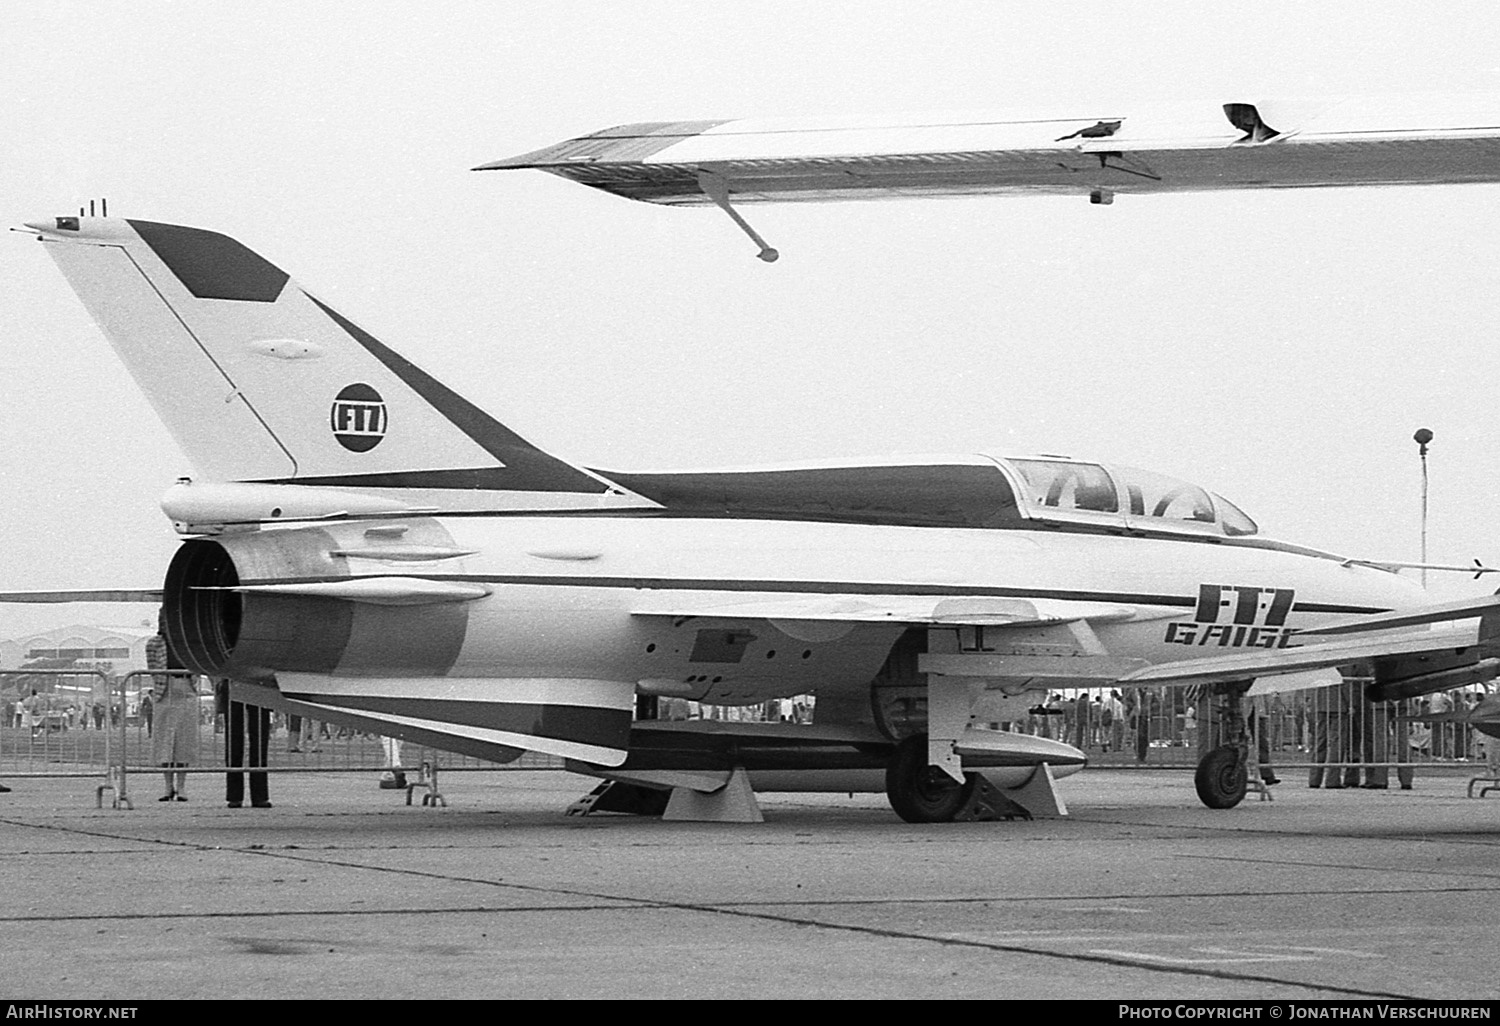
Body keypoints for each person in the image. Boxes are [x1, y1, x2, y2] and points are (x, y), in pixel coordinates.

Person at [147, 617, 199, 802]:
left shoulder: (189, 640)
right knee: (165, 740)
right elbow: (153, 666)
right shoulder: (154, 643)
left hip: (186, 687)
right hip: (165, 689)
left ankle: (182, 786)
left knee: (184, 740)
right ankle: (168, 786)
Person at [217, 680, 271, 809]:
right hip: (233, 682)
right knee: (233, 743)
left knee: (259, 742)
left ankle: (259, 796)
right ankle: (235, 796)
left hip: (259, 683)